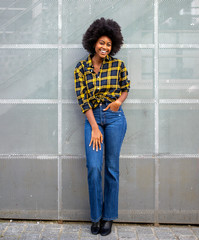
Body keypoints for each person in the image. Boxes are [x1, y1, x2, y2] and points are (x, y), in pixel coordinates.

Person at [74, 18, 130, 236]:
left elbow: (125, 88)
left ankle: (108, 218)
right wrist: (95, 127)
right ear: (93, 42)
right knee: (94, 167)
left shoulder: (118, 65)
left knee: (111, 168)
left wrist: (118, 102)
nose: (105, 47)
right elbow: (82, 99)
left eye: (108, 44)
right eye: (101, 43)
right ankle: (96, 216)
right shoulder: (81, 67)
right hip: (93, 118)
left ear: (113, 45)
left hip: (115, 118)